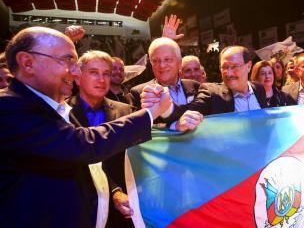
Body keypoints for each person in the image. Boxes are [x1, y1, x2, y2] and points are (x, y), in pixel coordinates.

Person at [0, 26, 172, 228]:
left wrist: (114, 192)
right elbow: (84, 146)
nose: (75, 70)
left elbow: (88, 168)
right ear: (28, 63)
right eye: (67, 60)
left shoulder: (54, 108)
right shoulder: (9, 107)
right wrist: (149, 114)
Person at [67, 50, 138, 228]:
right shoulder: (62, 113)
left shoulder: (126, 111)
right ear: (77, 78)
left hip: (122, 210)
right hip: (78, 207)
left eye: (106, 73)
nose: (101, 79)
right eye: (94, 73)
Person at [143, 46, 268, 127]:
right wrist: (165, 107)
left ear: (249, 66)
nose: (229, 73)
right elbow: (187, 110)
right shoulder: (212, 93)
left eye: (234, 67)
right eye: (224, 67)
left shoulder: (259, 89)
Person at [129, 37, 200, 111]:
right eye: (156, 61)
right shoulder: (139, 93)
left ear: (179, 62)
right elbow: (137, 122)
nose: (162, 65)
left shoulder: (195, 86)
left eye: (167, 59)